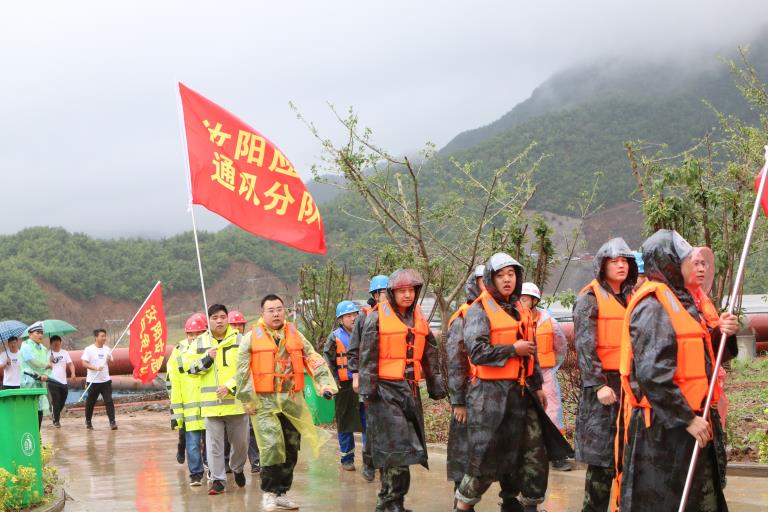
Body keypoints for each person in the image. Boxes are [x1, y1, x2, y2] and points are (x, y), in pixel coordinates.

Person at [617, 229, 738, 511]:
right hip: (664, 431)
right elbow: (652, 375)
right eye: (686, 260)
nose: (693, 265)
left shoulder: (683, 301)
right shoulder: (653, 306)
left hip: (691, 421)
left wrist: (721, 333)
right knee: (666, 502)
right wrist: (687, 418)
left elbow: (701, 356)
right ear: (669, 263)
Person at [454, 254, 572, 512]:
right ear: (491, 279)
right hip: (490, 396)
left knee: (534, 454)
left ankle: (530, 505)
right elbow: (477, 352)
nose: (507, 279)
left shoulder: (521, 309)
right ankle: (462, 505)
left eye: (511, 274)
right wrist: (512, 349)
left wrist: (537, 386)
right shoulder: (479, 310)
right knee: (485, 458)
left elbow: (531, 352)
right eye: (501, 275)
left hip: (522, 393)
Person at [235, 294, 338, 511]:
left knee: (291, 447)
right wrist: (247, 400)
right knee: (272, 446)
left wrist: (325, 384)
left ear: (285, 311)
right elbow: (242, 372)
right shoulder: (251, 338)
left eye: (279, 309)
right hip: (264, 403)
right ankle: (269, 492)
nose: (276, 314)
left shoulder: (295, 334)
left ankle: (282, 492)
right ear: (262, 313)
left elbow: (312, 358)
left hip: (292, 401)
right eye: (271, 310)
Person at [359, 269, 447, 512]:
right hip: (384, 391)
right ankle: (389, 502)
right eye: (402, 291)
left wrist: (435, 384)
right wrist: (367, 392)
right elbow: (367, 357)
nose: (407, 295)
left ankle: (392, 501)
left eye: (411, 290)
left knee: (404, 449)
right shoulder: (376, 317)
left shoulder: (418, 316)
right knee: (397, 448)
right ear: (392, 292)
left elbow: (430, 352)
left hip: (410, 390)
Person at [573, 238, 637, 512]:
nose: (621, 265)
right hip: (603, 386)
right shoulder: (589, 298)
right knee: (602, 459)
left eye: (625, 261)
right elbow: (584, 345)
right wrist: (598, 384)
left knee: (628, 454)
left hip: (629, 384)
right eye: (614, 261)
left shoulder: (633, 296)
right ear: (603, 265)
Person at [185, 304, 249, 495]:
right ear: (209, 320)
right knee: (214, 446)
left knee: (241, 444)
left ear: (227, 319)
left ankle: (237, 468)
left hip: (236, 404)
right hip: (211, 406)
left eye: (222, 317)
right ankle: (218, 480)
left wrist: (230, 386)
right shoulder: (199, 343)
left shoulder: (240, 340)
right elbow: (189, 369)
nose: (219, 321)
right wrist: (207, 358)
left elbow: (247, 369)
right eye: (214, 317)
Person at [519, 282, 570, 471]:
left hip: (545, 373)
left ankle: (557, 455)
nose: (522, 303)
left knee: (553, 411)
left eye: (525, 299)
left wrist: (553, 367)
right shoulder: (514, 319)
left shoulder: (549, 321)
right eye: (520, 299)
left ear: (535, 301)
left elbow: (561, 346)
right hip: (521, 373)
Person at [686, 246, 737, 430]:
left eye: (703, 264)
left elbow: (712, 346)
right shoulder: (675, 303)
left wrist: (725, 331)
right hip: (689, 389)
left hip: (710, 380)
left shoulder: (703, 300)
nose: (701, 269)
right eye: (696, 264)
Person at [445, 266, 484, 510]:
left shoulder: (503, 312)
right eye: (482, 280)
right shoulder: (463, 317)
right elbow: (455, 360)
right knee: (463, 452)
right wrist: (458, 401)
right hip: (470, 393)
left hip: (496, 394)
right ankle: (460, 503)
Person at [347, 274, 389, 483]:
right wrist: (355, 376)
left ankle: (386, 463)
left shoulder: (397, 316)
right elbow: (353, 349)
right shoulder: (364, 317)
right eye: (384, 293)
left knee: (389, 423)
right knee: (372, 423)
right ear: (375, 294)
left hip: (390, 379)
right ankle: (369, 462)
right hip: (369, 378)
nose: (388, 296)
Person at [323, 300, 366, 471]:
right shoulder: (334, 337)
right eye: (348, 316)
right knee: (345, 423)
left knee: (368, 422)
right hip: (344, 386)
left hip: (364, 384)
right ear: (341, 320)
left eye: (355, 314)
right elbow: (328, 362)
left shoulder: (366, 333)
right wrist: (333, 384)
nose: (353, 318)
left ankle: (369, 459)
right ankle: (347, 459)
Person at [168, 313, 208, 486]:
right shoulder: (179, 351)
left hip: (209, 404)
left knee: (211, 442)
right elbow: (173, 380)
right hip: (189, 405)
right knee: (192, 443)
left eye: (199, 334)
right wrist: (176, 409)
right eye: (191, 334)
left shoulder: (212, 348)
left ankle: (211, 468)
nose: (194, 337)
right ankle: (196, 474)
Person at [226, 309, 261, 474]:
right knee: (231, 433)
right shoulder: (224, 346)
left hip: (249, 392)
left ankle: (256, 461)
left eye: (240, 325)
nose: (237, 328)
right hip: (231, 394)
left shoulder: (249, 342)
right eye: (234, 325)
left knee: (252, 430)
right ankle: (228, 463)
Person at [81, 328, 117, 430]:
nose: (104, 338)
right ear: (96, 337)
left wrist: (109, 360)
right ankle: (88, 421)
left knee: (109, 401)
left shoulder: (107, 349)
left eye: (105, 336)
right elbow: (84, 363)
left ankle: (112, 422)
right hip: (93, 381)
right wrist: (95, 368)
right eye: (102, 336)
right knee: (90, 402)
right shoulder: (89, 349)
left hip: (105, 381)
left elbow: (112, 363)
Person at [20, 322, 52, 428]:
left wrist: (46, 374)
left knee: (40, 409)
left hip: (40, 383)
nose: (40, 335)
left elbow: (49, 366)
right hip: (29, 382)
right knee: (30, 409)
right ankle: (29, 434)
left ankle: (37, 434)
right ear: (30, 334)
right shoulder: (25, 346)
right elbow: (32, 362)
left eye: (41, 333)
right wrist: (46, 365)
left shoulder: (43, 348)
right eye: (37, 333)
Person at [49, 335, 75, 428]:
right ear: (51, 344)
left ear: (60, 343)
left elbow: (70, 364)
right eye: (54, 344)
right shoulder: (48, 354)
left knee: (62, 400)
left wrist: (73, 373)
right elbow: (44, 366)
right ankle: (56, 420)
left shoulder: (65, 353)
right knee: (56, 400)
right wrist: (49, 361)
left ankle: (55, 413)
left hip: (63, 381)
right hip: (52, 380)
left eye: (58, 343)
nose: (56, 345)